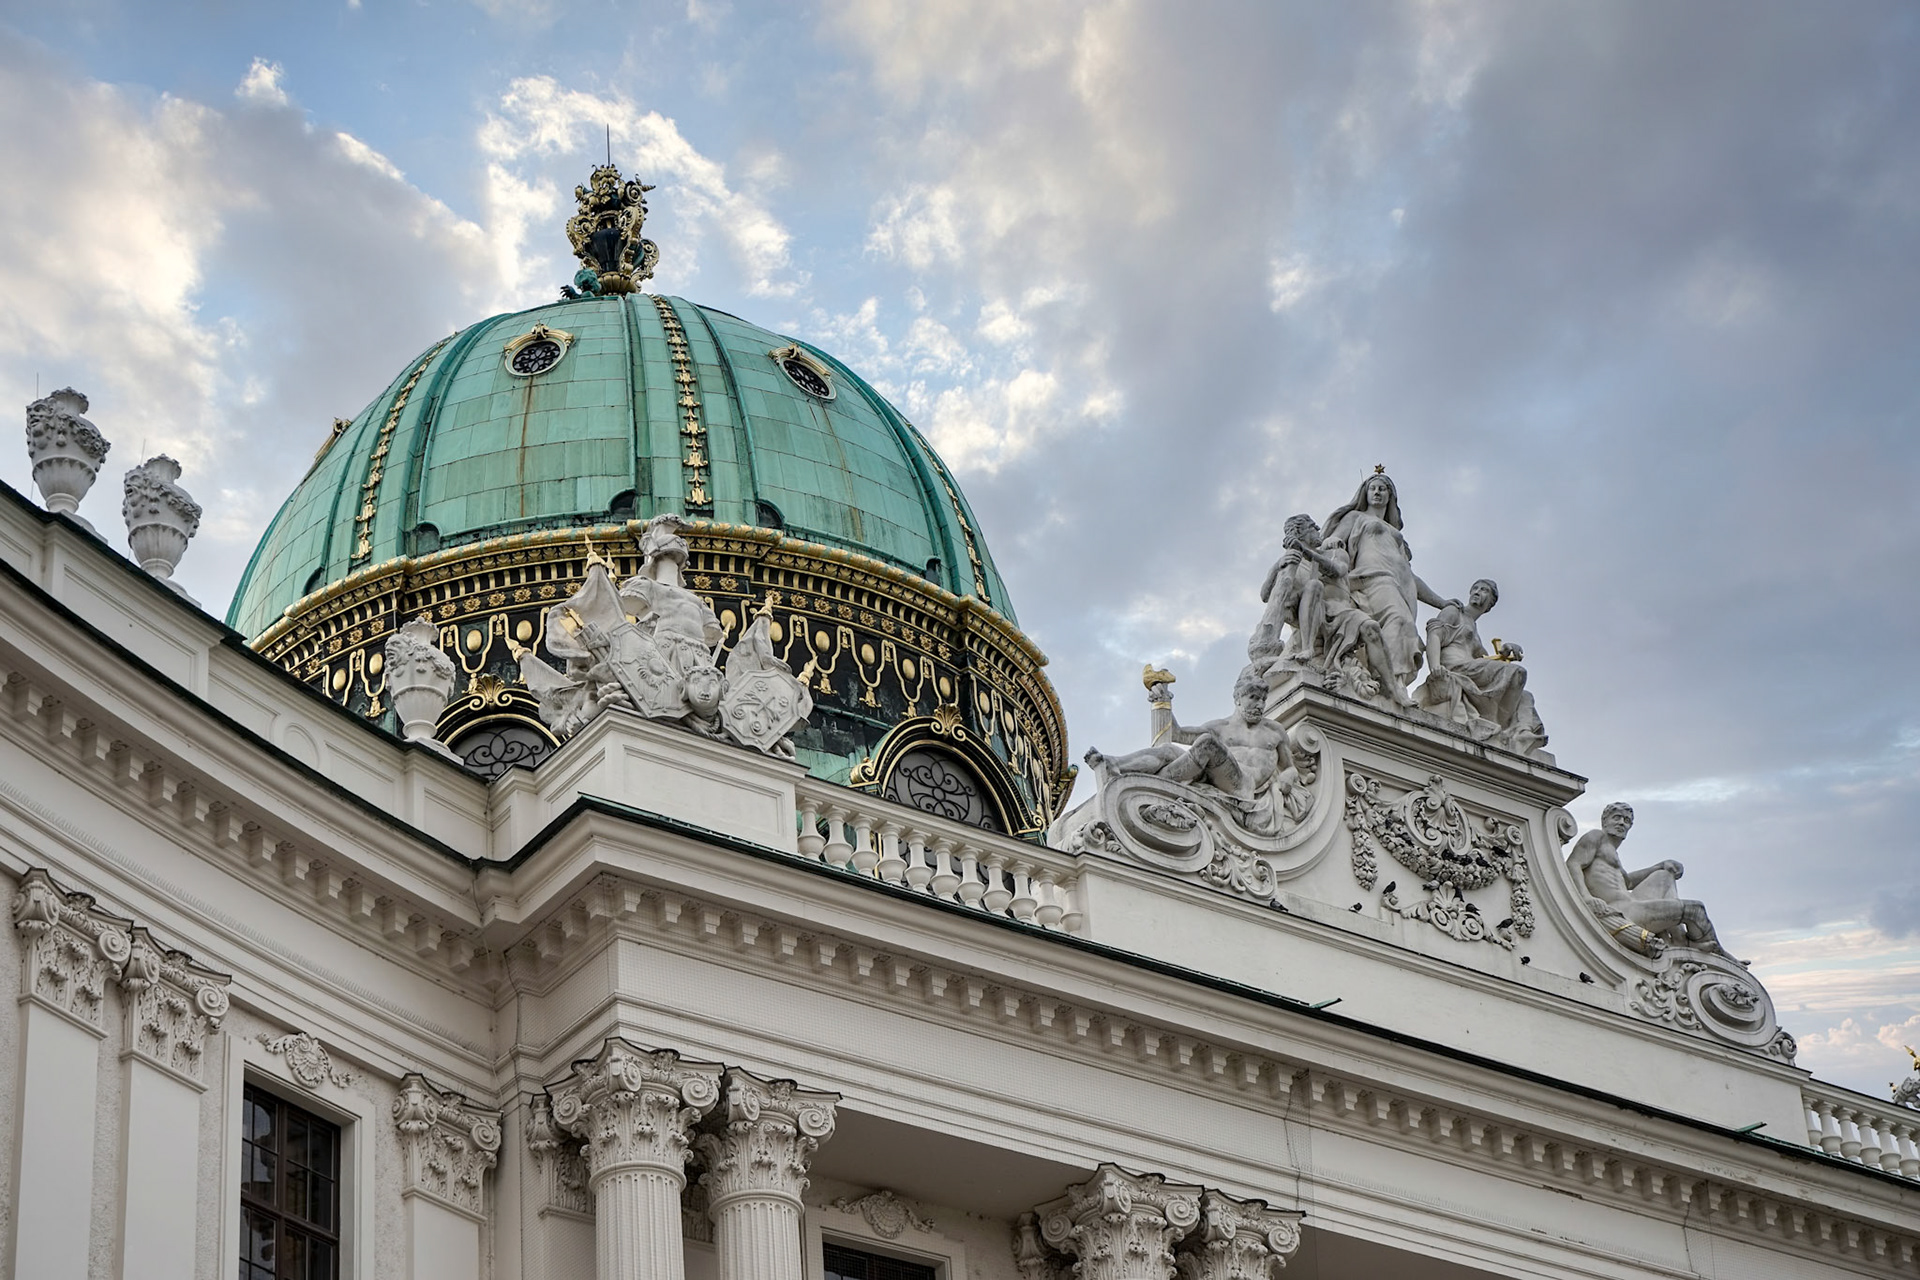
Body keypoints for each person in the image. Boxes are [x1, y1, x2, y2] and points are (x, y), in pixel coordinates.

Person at [1084, 667, 1304, 831]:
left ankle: (1157, 782)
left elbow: (1289, 767)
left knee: (1207, 744)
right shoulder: (1220, 727)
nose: (1259, 704)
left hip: (1243, 786)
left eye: (1262, 699)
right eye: (1253, 698)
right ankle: (1113, 764)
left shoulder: (1275, 731)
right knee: (1169, 750)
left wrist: (1287, 778)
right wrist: (1162, 701)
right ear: (1237, 699)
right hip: (1212, 776)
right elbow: (1177, 734)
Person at [1251, 514, 1411, 707]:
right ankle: (1308, 648)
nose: (1318, 528)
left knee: (1371, 628)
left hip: (1340, 611)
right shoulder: (1291, 559)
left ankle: (1394, 689)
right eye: (1312, 527)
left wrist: (1306, 551)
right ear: (1301, 531)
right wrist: (1278, 566)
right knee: (1313, 587)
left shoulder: (1333, 552)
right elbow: (1265, 595)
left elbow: (1338, 571)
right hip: (1315, 614)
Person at [1321, 469, 1454, 689]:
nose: (1377, 492)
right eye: (1373, 488)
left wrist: (1442, 602)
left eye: (1382, 489)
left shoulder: (1395, 533)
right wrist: (1331, 542)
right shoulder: (1356, 517)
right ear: (1365, 493)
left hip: (1402, 585)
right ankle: (1389, 682)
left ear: (1390, 496)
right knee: (1398, 619)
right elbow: (1335, 537)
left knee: (1406, 627)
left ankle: (1394, 682)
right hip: (1373, 577)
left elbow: (1411, 575)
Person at [1567, 803, 1732, 957]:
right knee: (1695, 910)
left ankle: (1679, 939)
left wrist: (1660, 866)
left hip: (1632, 905)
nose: (1621, 823)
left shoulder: (1612, 855)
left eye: (1626, 820)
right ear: (1605, 821)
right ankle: (1720, 957)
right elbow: (1573, 863)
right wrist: (1586, 898)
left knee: (1664, 875)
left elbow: (1628, 883)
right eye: (1616, 818)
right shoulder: (1596, 837)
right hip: (1621, 911)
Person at [1418, 579, 1532, 733]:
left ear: (1490, 604)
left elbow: (1485, 661)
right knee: (1518, 673)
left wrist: (1506, 650)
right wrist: (1435, 669)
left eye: (1484, 590)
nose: (1477, 591)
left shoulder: (1474, 629)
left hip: (1471, 669)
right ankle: (1497, 726)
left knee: (1525, 696)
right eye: (1475, 588)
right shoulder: (1454, 611)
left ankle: (1521, 732)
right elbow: (1434, 635)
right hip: (1456, 667)